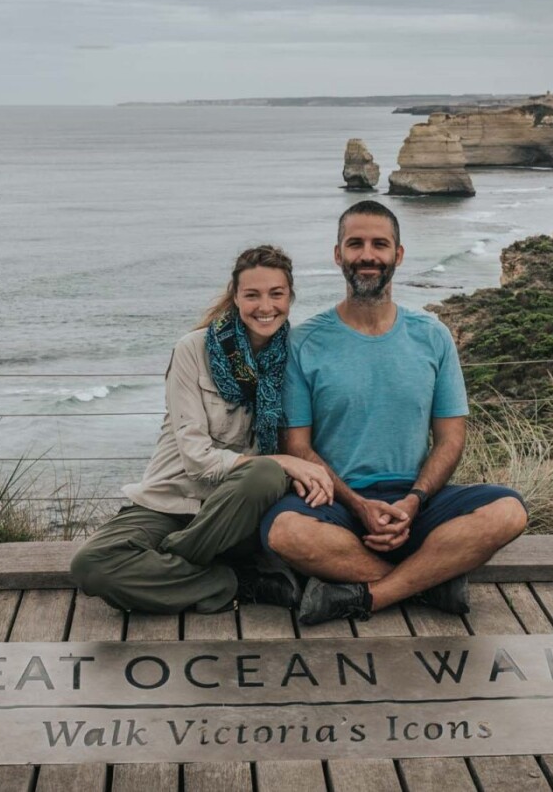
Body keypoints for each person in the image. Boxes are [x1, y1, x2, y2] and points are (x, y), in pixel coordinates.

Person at [260, 201, 529, 625]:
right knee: (284, 531)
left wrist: (414, 501)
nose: (368, 255)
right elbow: (297, 447)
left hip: (418, 500)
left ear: (398, 255)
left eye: (379, 244)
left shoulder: (433, 336)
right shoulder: (303, 342)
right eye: (356, 244)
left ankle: (369, 596)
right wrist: (359, 504)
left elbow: (451, 439)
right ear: (338, 255)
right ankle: (428, 583)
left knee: (509, 511)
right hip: (336, 503)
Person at [70, 245, 334, 614]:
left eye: (277, 294)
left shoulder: (295, 358)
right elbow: (196, 461)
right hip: (169, 502)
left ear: (290, 297)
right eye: (252, 295)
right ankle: (233, 581)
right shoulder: (193, 350)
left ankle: (167, 564)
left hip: (239, 516)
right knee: (91, 567)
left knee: (263, 474)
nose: (265, 306)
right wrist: (286, 462)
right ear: (235, 296)